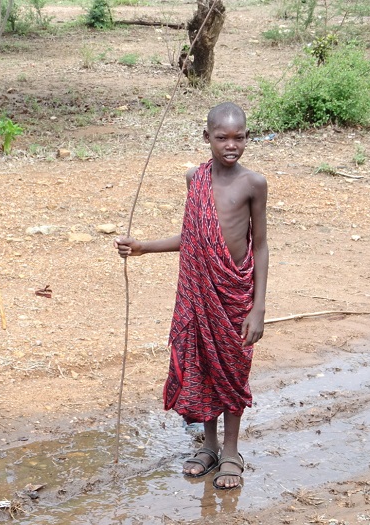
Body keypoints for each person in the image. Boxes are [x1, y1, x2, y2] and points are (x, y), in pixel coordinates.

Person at [115, 102, 268, 490]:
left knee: (233, 369)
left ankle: (231, 452)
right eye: (222, 137)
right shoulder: (195, 178)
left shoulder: (253, 184)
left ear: (247, 137)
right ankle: (210, 446)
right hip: (199, 291)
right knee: (203, 365)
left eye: (239, 137)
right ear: (207, 138)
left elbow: (261, 246)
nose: (231, 145)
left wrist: (259, 307)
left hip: (235, 291)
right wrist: (144, 247)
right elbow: (194, 237)